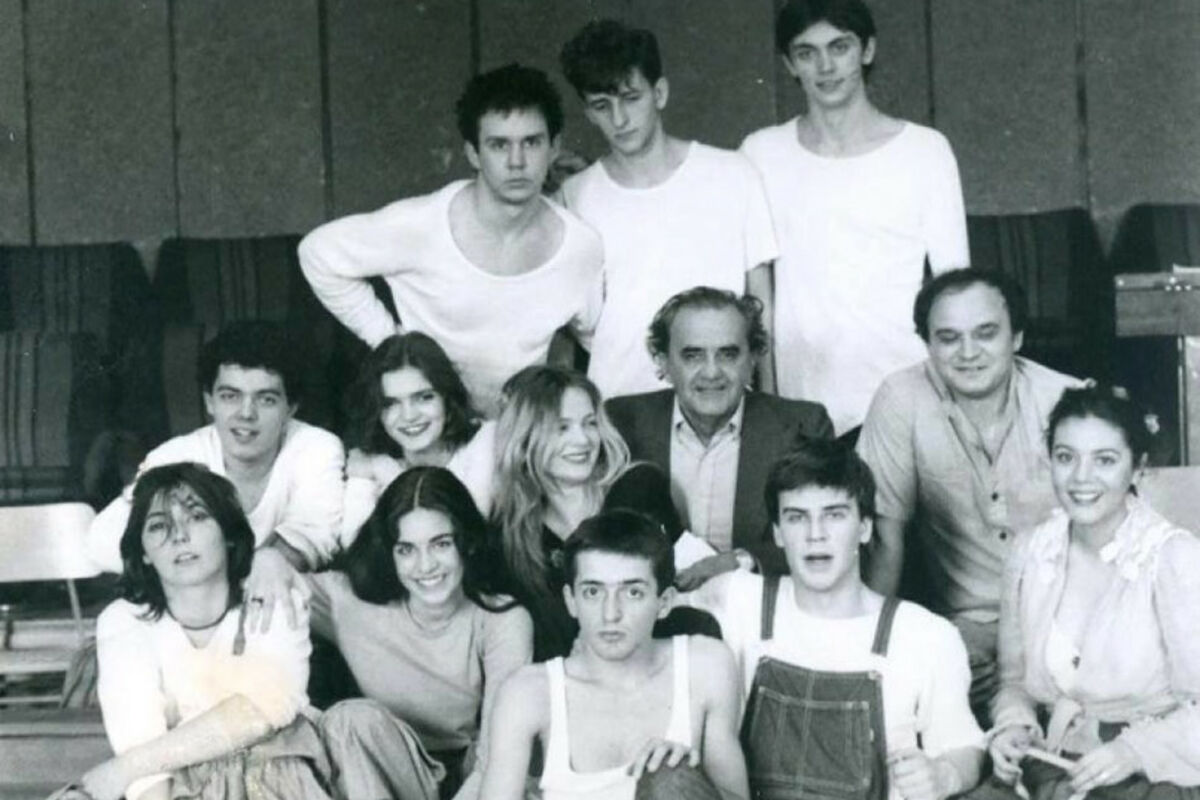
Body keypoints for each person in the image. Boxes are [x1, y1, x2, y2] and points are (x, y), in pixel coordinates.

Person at [299, 63, 603, 418]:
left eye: (532, 142)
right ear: (473, 153)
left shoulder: (580, 247)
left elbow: (595, 338)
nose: (517, 162)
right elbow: (317, 253)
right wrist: (392, 343)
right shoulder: (421, 224)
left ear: (554, 148)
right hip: (431, 427)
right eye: (499, 145)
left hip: (521, 429)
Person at [692, 439, 985, 800]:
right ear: (778, 533)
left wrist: (945, 775)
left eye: (834, 515)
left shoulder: (925, 635)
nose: (815, 535)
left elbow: (964, 745)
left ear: (864, 528)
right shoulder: (737, 599)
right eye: (797, 517)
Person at [857, 267, 1079, 723]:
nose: (968, 352)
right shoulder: (901, 399)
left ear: (1017, 337)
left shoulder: (1067, 401)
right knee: (934, 693)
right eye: (949, 338)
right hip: (966, 630)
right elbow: (884, 538)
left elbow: (1112, 539)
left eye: (985, 333)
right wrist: (872, 654)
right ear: (928, 344)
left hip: (1065, 618)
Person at [741, 0, 969, 436]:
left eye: (839, 47)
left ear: (867, 50)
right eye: (807, 52)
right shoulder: (761, 153)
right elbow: (759, 295)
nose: (825, 67)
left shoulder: (925, 151)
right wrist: (769, 401)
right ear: (789, 64)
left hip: (905, 398)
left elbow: (954, 289)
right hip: (802, 404)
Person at [986, 386, 1200, 799]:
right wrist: (1014, 726)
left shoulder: (1174, 558)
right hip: (1053, 766)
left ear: (1138, 469)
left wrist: (1134, 751)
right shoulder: (1031, 551)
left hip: (1157, 779)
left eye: (1105, 460)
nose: (1081, 477)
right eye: (1066, 457)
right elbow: (1013, 683)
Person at [80, 463, 331, 800]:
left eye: (197, 517)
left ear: (228, 535)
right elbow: (137, 736)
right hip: (183, 786)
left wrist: (122, 770)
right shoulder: (123, 620)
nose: (179, 536)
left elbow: (270, 707)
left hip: (281, 775)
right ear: (144, 553)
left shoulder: (272, 594)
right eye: (159, 526)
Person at [557, 19, 779, 398]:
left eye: (631, 98)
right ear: (588, 112)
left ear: (659, 93)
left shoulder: (732, 174)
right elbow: (576, 323)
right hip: (619, 403)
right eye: (602, 106)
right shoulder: (575, 196)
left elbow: (761, 309)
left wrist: (770, 401)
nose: (619, 119)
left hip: (721, 401)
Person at [87, 320, 344, 626]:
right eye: (230, 396)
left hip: (279, 611)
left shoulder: (316, 446)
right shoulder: (176, 455)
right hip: (191, 611)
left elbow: (315, 530)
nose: (246, 413)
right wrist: (205, 577)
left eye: (266, 399)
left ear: (291, 408)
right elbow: (101, 542)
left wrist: (273, 558)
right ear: (209, 401)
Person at [481, 509, 749, 800]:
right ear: (571, 601)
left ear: (664, 602)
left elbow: (737, 796)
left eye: (632, 592)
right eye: (593, 592)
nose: (610, 614)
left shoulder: (705, 665)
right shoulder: (528, 692)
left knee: (670, 780)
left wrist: (689, 781)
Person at [309, 467, 532, 800]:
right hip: (383, 773)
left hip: (470, 778)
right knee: (348, 720)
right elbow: (258, 586)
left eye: (441, 544)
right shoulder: (348, 601)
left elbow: (497, 753)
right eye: (406, 549)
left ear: (467, 543)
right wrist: (270, 561)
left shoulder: (501, 619)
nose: (425, 566)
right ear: (389, 552)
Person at [606, 287, 833, 588]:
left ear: (753, 359)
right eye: (693, 355)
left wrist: (742, 561)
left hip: (759, 603)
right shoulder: (621, 423)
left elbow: (828, 535)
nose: (712, 372)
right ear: (662, 361)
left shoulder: (801, 426)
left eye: (728, 354)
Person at [491, 365, 629, 660]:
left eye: (590, 423)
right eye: (561, 428)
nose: (583, 440)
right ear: (524, 437)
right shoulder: (505, 538)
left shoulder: (634, 492)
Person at [342, 332, 497, 536]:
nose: (409, 415)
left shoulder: (486, 440)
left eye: (424, 397)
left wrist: (383, 471)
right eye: (391, 403)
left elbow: (465, 530)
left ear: (447, 398)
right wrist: (362, 480)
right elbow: (353, 544)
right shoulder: (372, 461)